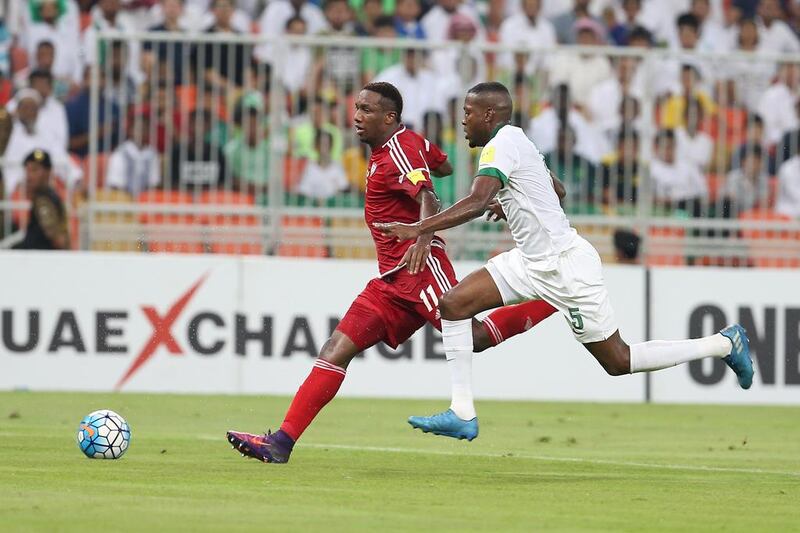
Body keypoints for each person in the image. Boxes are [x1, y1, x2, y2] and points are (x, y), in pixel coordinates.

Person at [375, 82, 753, 439]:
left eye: (468, 112)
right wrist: (512, 202)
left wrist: (418, 228)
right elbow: (557, 188)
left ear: (489, 115)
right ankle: (462, 413)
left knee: (618, 361)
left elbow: (474, 202)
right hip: (529, 262)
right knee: (453, 305)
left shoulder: (499, 146)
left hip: (565, 266)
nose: (463, 121)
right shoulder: (519, 139)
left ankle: (722, 344)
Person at [225, 82, 559, 462]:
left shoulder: (398, 150)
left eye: (367, 110)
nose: (356, 117)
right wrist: (425, 158)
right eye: (356, 108)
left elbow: (428, 195)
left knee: (476, 337)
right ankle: (280, 443)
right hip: (390, 281)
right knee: (335, 350)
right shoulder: (402, 145)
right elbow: (444, 164)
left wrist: (422, 238)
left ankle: (553, 298)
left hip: (419, 269)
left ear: (389, 117)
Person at [12, 150, 70, 250]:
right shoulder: (50, 196)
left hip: (41, 259)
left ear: (48, 172)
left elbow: (58, 239)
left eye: (34, 170)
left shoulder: (43, 199)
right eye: (27, 170)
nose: (29, 176)